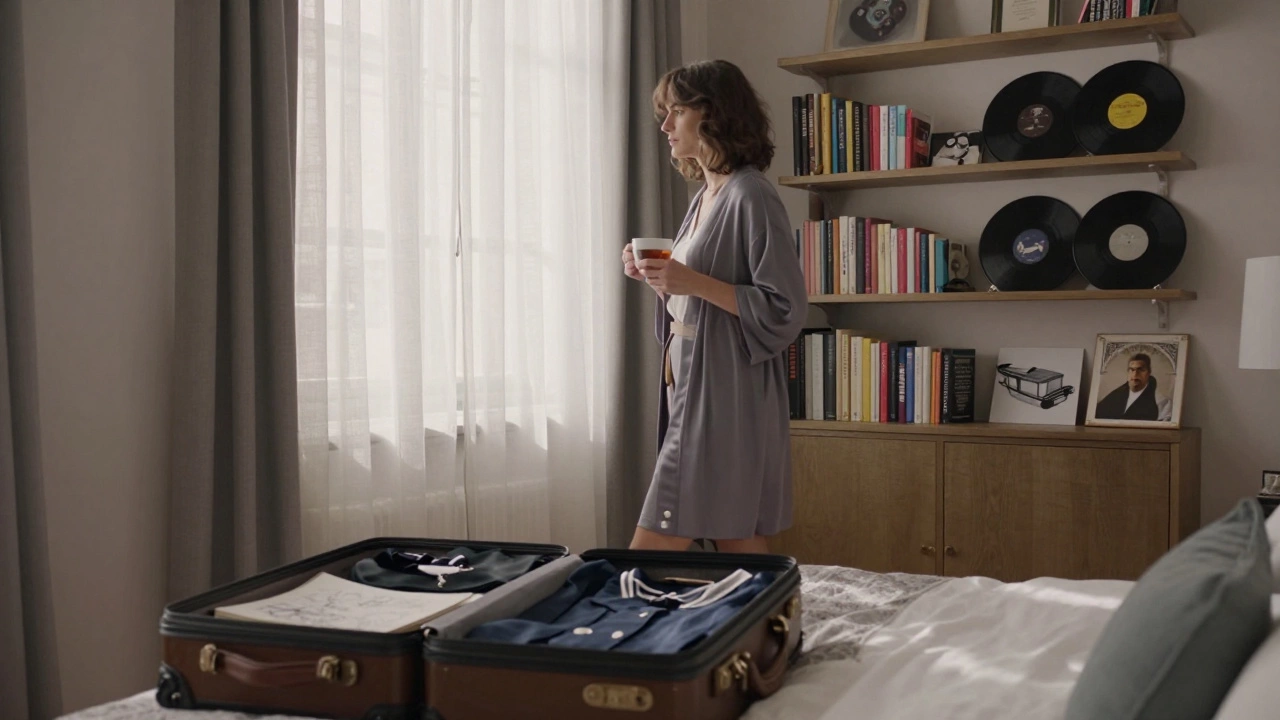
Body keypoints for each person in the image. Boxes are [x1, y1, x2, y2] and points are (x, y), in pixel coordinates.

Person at [619, 60, 807, 554]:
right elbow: (697, 300)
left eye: (676, 112)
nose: (665, 126)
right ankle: (766, 625)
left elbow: (784, 308)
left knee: (653, 543)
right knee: (737, 529)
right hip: (695, 385)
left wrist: (692, 281)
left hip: (726, 392)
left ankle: (620, 620)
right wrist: (659, 280)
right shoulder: (706, 195)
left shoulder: (751, 195)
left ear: (713, 115)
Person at [1093, 352, 1173, 422]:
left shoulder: (1162, 402)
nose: (1135, 375)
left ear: (1149, 373)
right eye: (1132, 370)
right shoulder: (1114, 396)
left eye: (1141, 370)